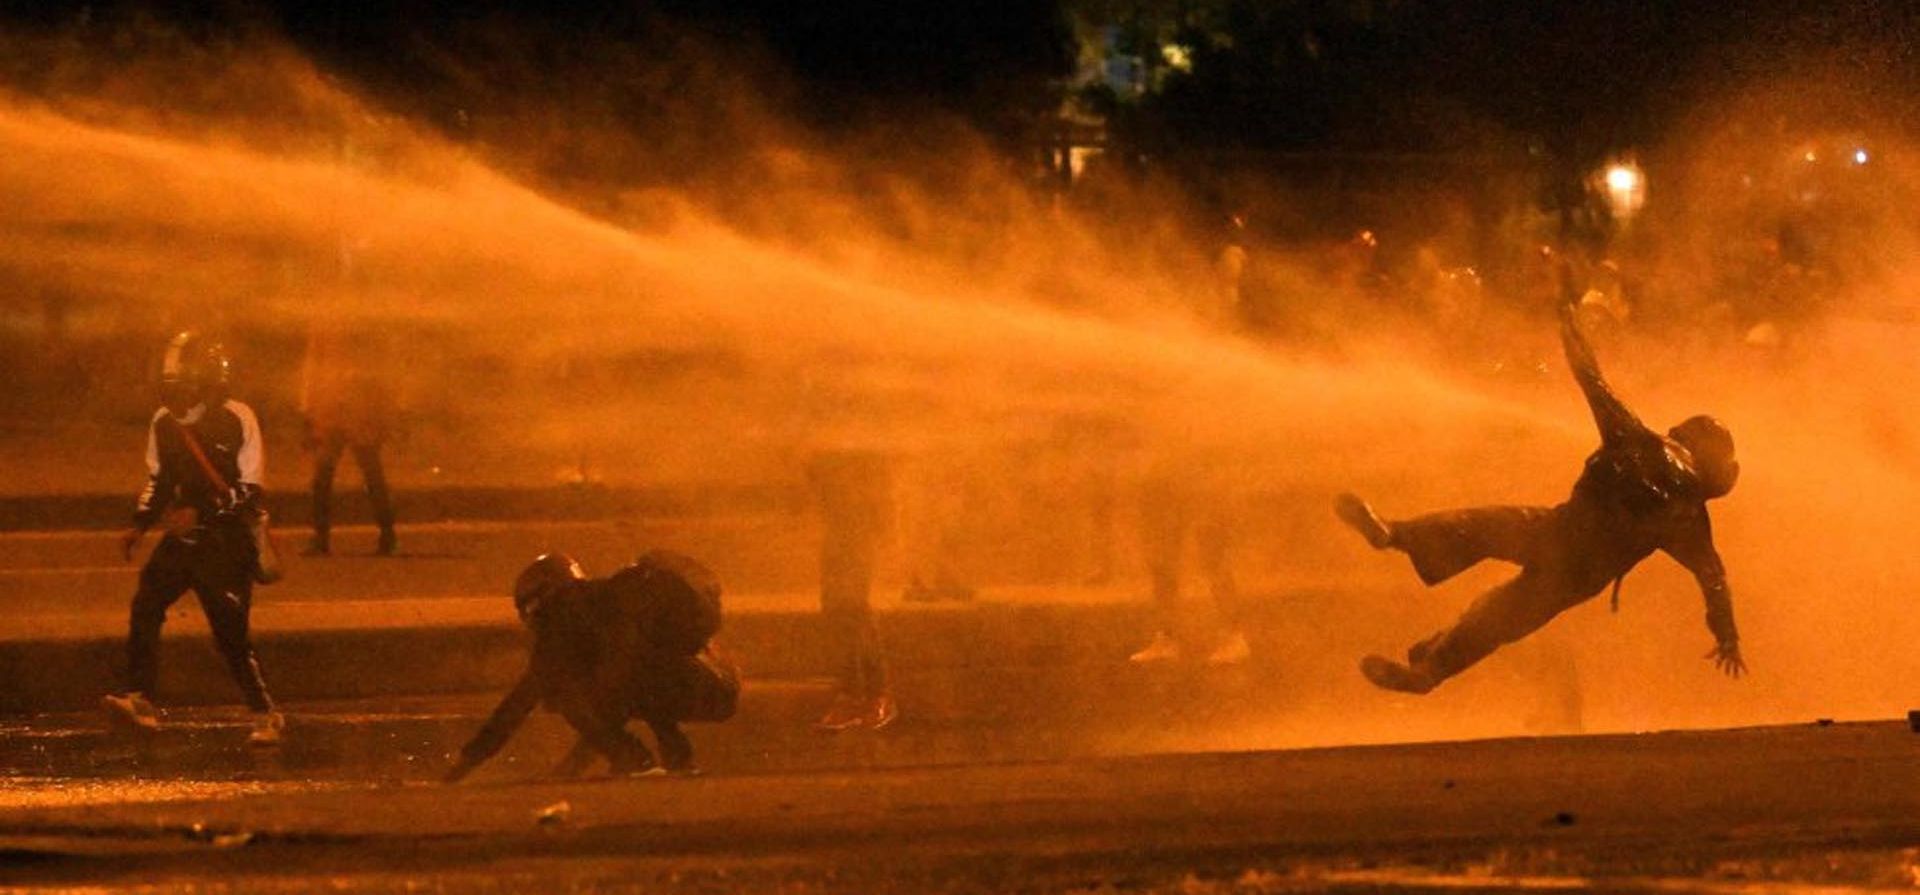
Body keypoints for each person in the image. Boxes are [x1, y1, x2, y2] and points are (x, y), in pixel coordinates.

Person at [1336, 266, 1746, 694]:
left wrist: (1567, 322)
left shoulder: (1638, 438)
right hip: (1578, 573)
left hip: (1554, 531)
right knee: (1500, 617)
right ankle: (1430, 668)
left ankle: (1393, 536)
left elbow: (1591, 377)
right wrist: (1728, 638)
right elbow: (1713, 580)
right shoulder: (1690, 516)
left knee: (1476, 528)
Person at [104, 332, 284, 746]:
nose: (176, 401)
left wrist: (202, 511)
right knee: (146, 605)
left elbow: (250, 489)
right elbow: (160, 478)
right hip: (184, 542)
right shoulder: (164, 422)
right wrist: (141, 522)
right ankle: (142, 700)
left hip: (226, 544)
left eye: (183, 391)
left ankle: (265, 712)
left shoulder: (239, 417)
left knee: (230, 635)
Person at [444, 551, 738, 782]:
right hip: (716, 685)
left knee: (564, 691)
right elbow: (623, 689)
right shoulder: (610, 602)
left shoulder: (565, 617)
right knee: (628, 679)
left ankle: (639, 763)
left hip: (686, 685)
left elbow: (518, 705)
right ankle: (677, 760)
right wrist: (571, 767)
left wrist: (463, 767)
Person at [807, 450, 898, 731]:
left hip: (854, 529)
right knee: (841, 610)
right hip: (842, 530)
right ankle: (861, 695)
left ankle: (869, 695)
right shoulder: (842, 447)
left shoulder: (856, 450)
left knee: (851, 609)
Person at [299, 323, 397, 556]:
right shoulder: (341, 325)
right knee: (361, 473)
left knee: (356, 473)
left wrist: (307, 409)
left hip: (348, 409)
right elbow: (313, 367)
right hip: (342, 409)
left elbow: (313, 367)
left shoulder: (337, 324)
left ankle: (383, 533)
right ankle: (385, 533)